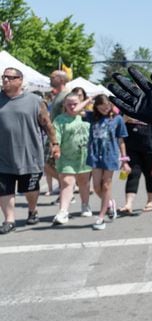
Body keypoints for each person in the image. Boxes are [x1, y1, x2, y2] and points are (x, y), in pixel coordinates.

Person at [0, 67, 59, 232]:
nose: (6, 80)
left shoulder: (34, 101)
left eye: (11, 77)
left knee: (30, 189)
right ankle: (9, 220)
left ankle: (32, 210)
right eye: (4, 77)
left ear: (20, 80)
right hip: (3, 156)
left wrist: (55, 144)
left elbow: (47, 124)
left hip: (29, 155)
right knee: (4, 189)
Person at [87, 95, 130, 230]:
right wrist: (89, 99)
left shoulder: (117, 119)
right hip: (94, 155)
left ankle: (101, 216)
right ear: (96, 107)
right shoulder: (92, 117)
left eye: (107, 107)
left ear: (111, 106)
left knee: (106, 186)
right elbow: (75, 110)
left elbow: (121, 140)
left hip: (110, 155)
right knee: (96, 187)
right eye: (101, 107)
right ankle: (110, 204)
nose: (105, 110)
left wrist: (124, 160)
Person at [51, 93, 93, 224]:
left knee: (83, 182)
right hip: (66, 156)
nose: (72, 106)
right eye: (69, 104)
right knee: (67, 182)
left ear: (81, 103)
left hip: (84, 155)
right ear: (64, 105)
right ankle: (63, 211)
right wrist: (56, 149)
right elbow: (55, 136)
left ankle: (85, 204)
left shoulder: (87, 117)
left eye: (75, 103)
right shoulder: (59, 120)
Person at [121, 115, 152, 215]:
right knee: (133, 173)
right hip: (132, 146)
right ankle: (128, 204)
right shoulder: (129, 108)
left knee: (150, 174)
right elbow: (120, 126)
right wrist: (125, 118)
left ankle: (150, 202)